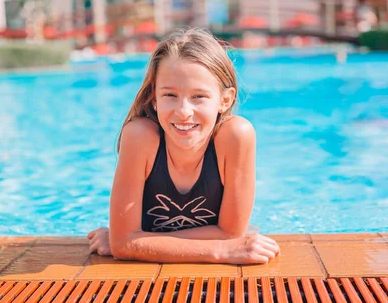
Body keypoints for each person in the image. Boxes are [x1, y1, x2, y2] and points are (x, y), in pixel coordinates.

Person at [87, 28, 280, 264]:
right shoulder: (140, 137)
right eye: (170, 95)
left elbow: (232, 233)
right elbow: (124, 245)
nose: (183, 112)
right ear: (154, 99)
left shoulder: (236, 137)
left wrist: (138, 242)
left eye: (199, 96)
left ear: (225, 100)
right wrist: (222, 250)